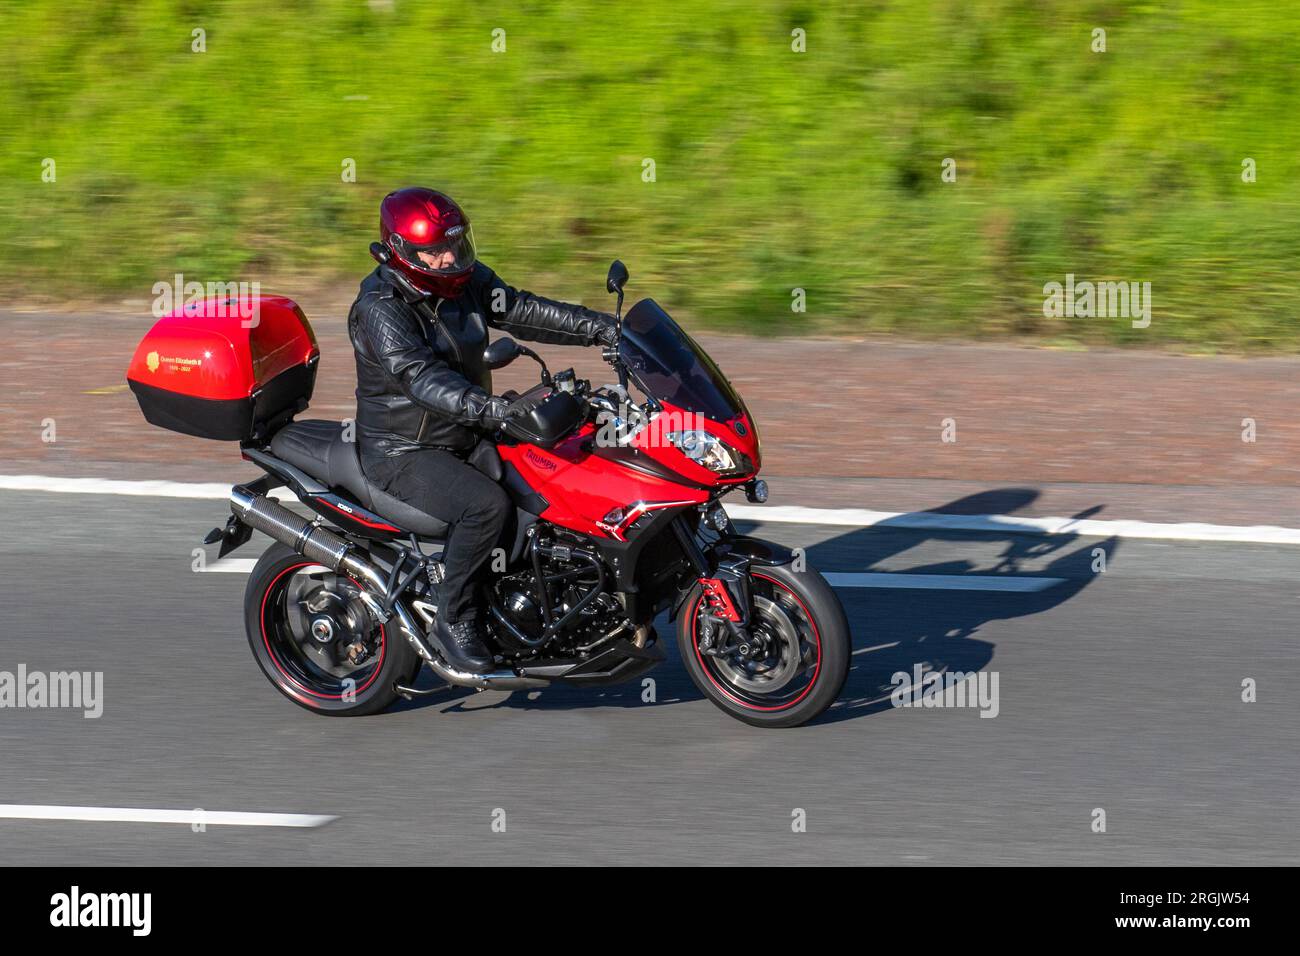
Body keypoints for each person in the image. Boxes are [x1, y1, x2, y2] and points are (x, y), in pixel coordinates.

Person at [348, 187, 617, 673]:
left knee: (556, 470)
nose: (449, 258)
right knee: (484, 506)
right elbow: (419, 377)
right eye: (435, 250)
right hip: (405, 449)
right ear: (399, 251)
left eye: (455, 243)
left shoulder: (463, 280)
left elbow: (520, 308)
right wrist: (489, 408)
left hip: (466, 428)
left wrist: (605, 329)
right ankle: (455, 619)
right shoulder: (381, 307)